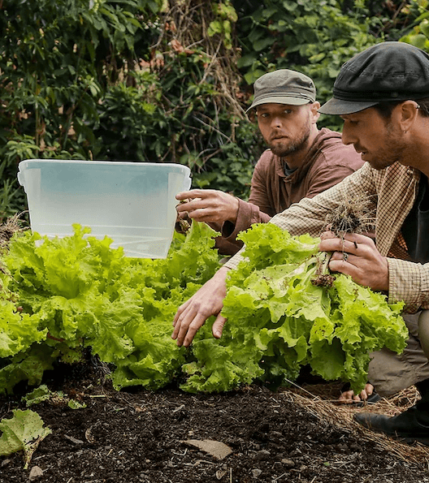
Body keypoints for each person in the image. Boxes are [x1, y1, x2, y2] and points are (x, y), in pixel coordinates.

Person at [172, 41, 429, 444]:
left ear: (406, 114)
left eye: (356, 122)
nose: (345, 137)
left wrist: (390, 274)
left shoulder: (347, 157)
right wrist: (226, 277)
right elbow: (303, 218)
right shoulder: (389, 169)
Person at [176, 69, 363, 256]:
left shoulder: (336, 164)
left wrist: (238, 211)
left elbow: (305, 245)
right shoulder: (269, 162)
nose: (275, 124)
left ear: (314, 112)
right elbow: (252, 241)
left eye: (287, 111)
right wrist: (201, 221)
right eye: (265, 115)